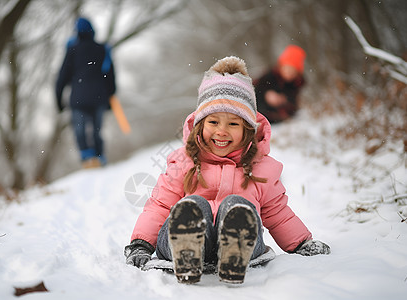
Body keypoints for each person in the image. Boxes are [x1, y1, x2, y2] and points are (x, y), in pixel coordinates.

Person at [124, 56, 330, 284]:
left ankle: (234, 248)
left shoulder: (261, 169)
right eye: (213, 122)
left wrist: (301, 242)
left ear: (248, 130)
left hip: (244, 244)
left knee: (238, 207)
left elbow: (277, 213)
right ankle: (187, 248)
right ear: (200, 126)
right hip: (178, 243)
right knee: (194, 207)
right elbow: (160, 206)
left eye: (233, 124)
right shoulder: (184, 162)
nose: (222, 131)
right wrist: (141, 244)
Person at [56, 17, 116, 168]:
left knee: (80, 129)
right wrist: (111, 96)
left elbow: (62, 76)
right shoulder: (103, 49)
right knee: (97, 130)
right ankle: (100, 157)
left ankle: (87, 156)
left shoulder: (72, 50)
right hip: (99, 97)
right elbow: (109, 75)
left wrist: (59, 100)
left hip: (78, 98)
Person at [253, 44, 306, 123]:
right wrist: (266, 95)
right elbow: (253, 89)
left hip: (275, 116)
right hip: (258, 109)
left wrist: (283, 101)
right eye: (287, 69)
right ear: (281, 67)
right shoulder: (269, 76)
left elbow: (293, 106)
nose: (289, 73)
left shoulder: (295, 84)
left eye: (292, 71)